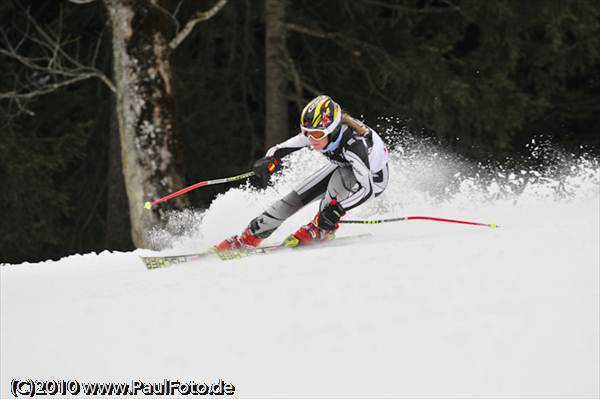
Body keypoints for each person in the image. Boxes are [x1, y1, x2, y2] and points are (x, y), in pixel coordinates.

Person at [213, 95, 389, 251]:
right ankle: (249, 237)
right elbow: (280, 149)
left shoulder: (356, 146)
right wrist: (269, 160)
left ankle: (322, 229)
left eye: (318, 135)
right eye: (307, 133)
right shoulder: (318, 131)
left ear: (333, 130)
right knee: (293, 199)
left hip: (373, 180)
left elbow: (368, 190)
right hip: (345, 166)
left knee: (340, 181)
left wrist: (336, 211)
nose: (311, 140)